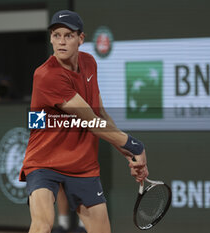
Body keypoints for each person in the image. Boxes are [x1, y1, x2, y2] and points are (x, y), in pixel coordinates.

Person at [19, 10, 149, 233]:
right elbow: (91, 122)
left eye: (68, 35)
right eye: (56, 35)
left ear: (81, 38)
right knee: (42, 224)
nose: (61, 41)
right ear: (50, 38)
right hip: (43, 161)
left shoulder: (89, 63)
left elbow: (101, 116)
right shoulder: (46, 75)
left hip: (82, 165)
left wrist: (127, 153)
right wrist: (134, 145)